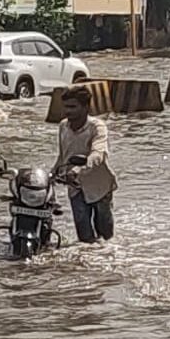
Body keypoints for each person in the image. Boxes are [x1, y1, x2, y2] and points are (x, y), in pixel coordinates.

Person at [55, 86, 116, 244]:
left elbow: (98, 154)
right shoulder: (63, 126)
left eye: (73, 107)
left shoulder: (97, 127)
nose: (68, 111)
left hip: (99, 186)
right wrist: (51, 174)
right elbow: (63, 156)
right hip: (75, 186)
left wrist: (78, 169)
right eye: (66, 107)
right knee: (84, 236)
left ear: (86, 107)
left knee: (105, 234)